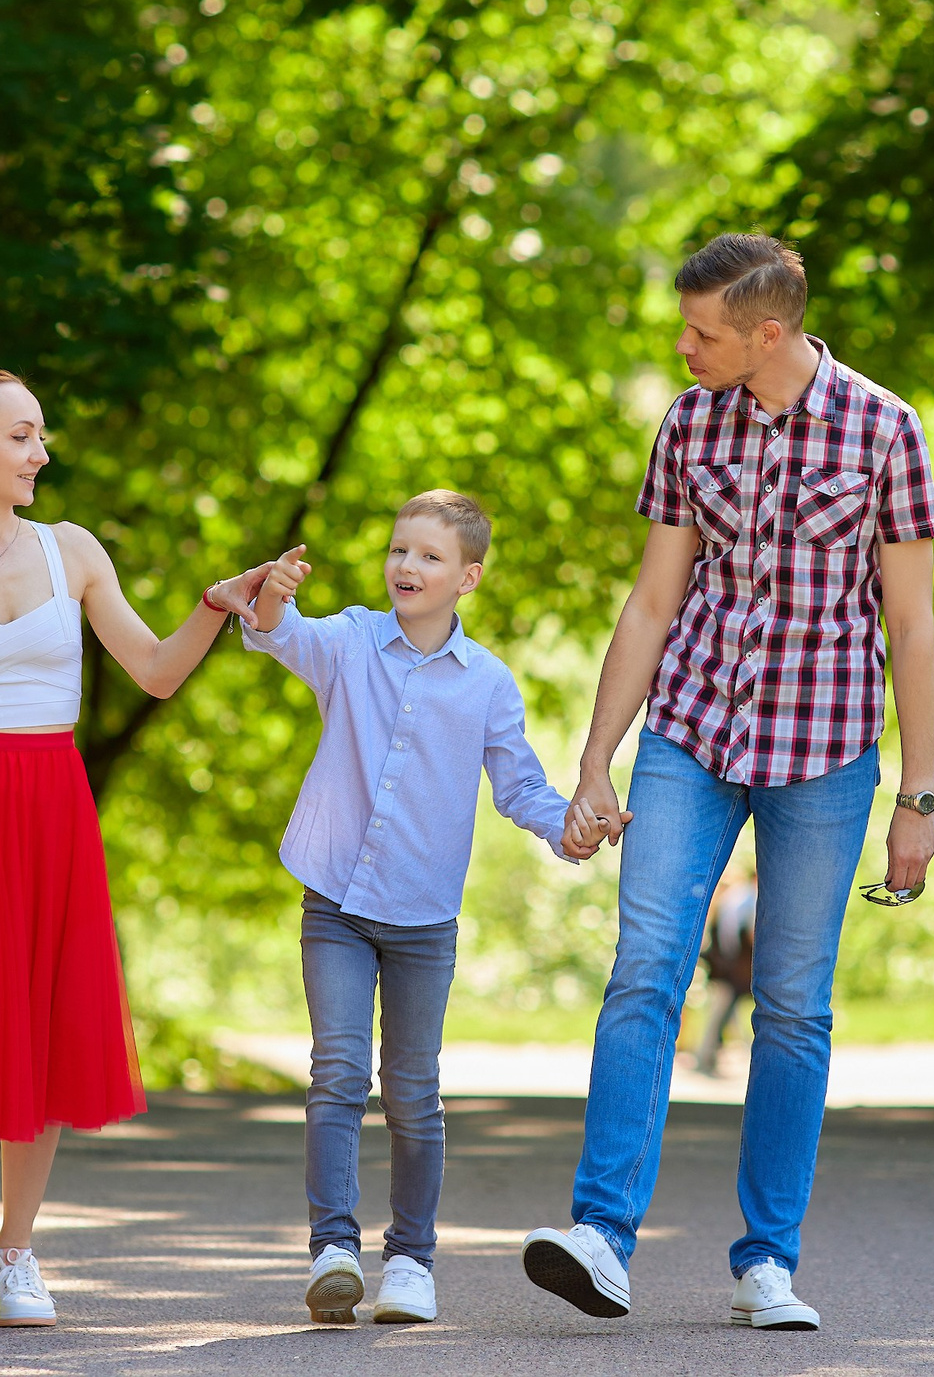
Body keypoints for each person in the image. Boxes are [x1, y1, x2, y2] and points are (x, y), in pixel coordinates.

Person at [522, 234, 934, 1331]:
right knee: (646, 969)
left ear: (768, 333)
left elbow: (909, 624)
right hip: (694, 734)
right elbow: (653, 603)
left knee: (793, 1008)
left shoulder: (884, 428)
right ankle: (601, 1239)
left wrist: (919, 795)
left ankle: (766, 1264)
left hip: (827, 750)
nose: (683, 346)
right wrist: (596, 755)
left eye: (702, 332)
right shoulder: (687, 423)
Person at [0, 364, 270, 1339]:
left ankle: (17, 1254)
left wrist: (215, 604)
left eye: (40, 436)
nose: (41, 451)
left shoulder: (71, 552)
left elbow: (154, 672)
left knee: (36, 1019)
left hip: (47, 812)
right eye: (23, 436)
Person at [237, 491, 602, 1328]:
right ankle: (333, 1247)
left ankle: (410, 1260)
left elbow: (521, 788)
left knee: (412, 1089)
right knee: (336, 1068)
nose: (408, 566)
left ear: (468, 576)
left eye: (430, 556)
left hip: (422, 917)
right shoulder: (352, 640)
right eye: (400, 550)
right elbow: (277, 634)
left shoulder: (488, 684)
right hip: (335, 895)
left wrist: (569, 829)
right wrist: (273, 592)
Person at [693, 869, 758, 1077]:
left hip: (725, 961)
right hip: (733, 964)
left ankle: (709, 1054)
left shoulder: (734, 897)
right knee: (722, 1011)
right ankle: (705, 1055)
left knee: (726, 1011)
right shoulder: (748, 899)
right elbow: (750, 933)